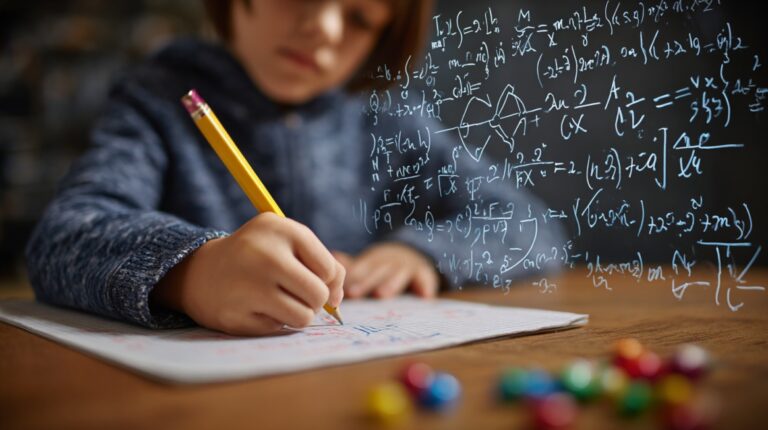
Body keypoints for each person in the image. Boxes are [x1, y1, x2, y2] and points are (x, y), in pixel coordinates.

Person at [26, 0, 564, 336]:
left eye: (359, 17)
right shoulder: (160, 101)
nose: (324, 27)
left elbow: (531, 226)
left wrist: (420, 252)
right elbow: (62, 237)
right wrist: (194, 272)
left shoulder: (391, 117)